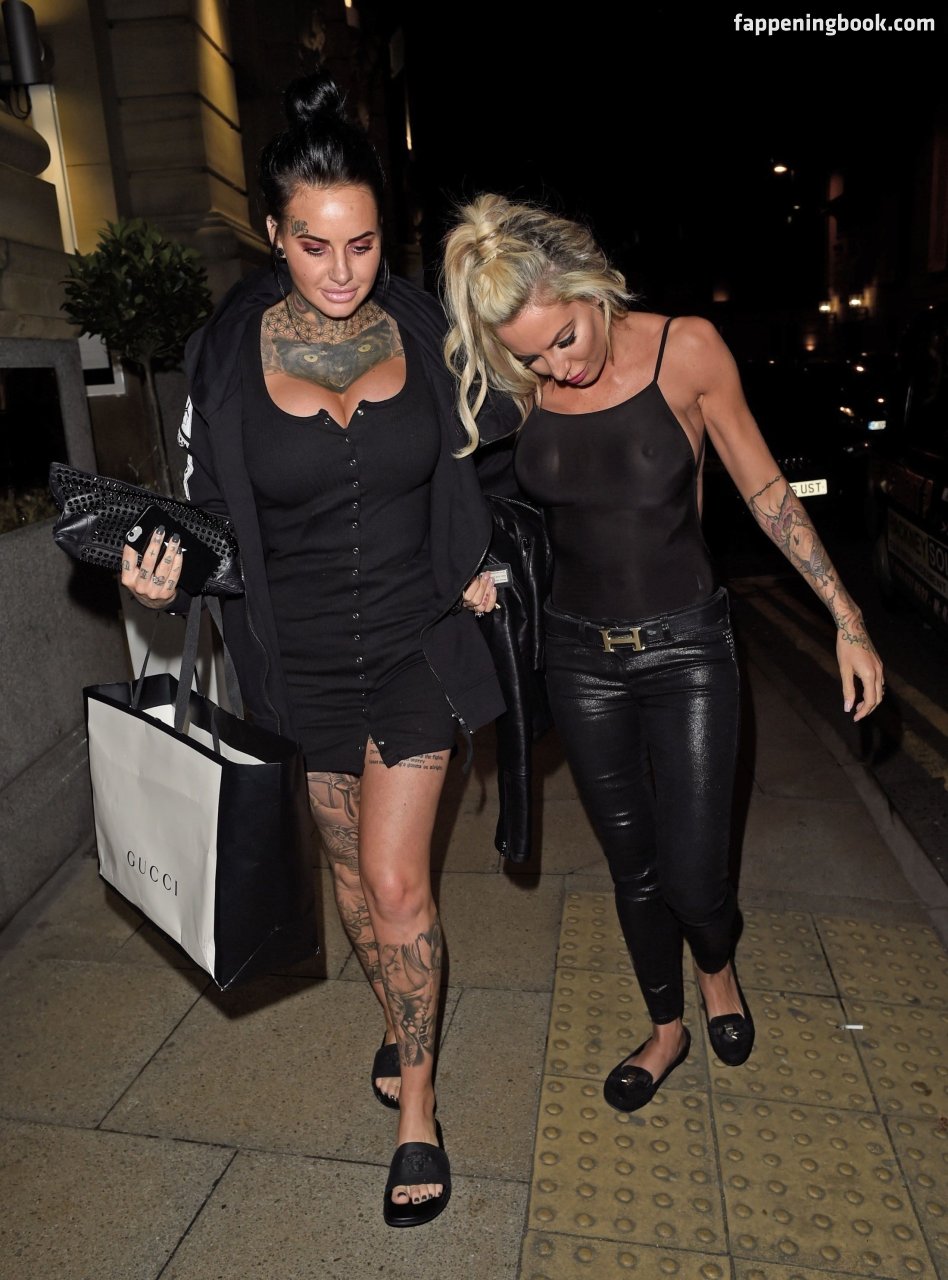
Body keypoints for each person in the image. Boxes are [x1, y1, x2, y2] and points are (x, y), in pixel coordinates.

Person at [120, 73, 509, 1228]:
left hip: (419, 642)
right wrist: (167, 572)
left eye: (364, 243)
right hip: (298, 663)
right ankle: (399, 1016)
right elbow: (205, 517)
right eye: (313, 245)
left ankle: (419, 1108)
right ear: (274, 233)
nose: (343, 271)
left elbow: (497, 451)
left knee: (397, 881)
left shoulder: (428, 331)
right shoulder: (225, 356)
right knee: (349, 877)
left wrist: (486, 555)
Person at [441, 194, 884, 1112]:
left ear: (589, 284)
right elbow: (470, 495)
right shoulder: (522, 382)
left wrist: (847, 618)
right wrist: (472, 567)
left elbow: (765, 488)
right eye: (531, 357)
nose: (556, 367)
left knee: (693, 875)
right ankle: (667, 1026)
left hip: (688, 651)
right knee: (632, 867)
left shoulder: (687, 350)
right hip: (579, 658)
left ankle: (717, 966)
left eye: (564, 338)